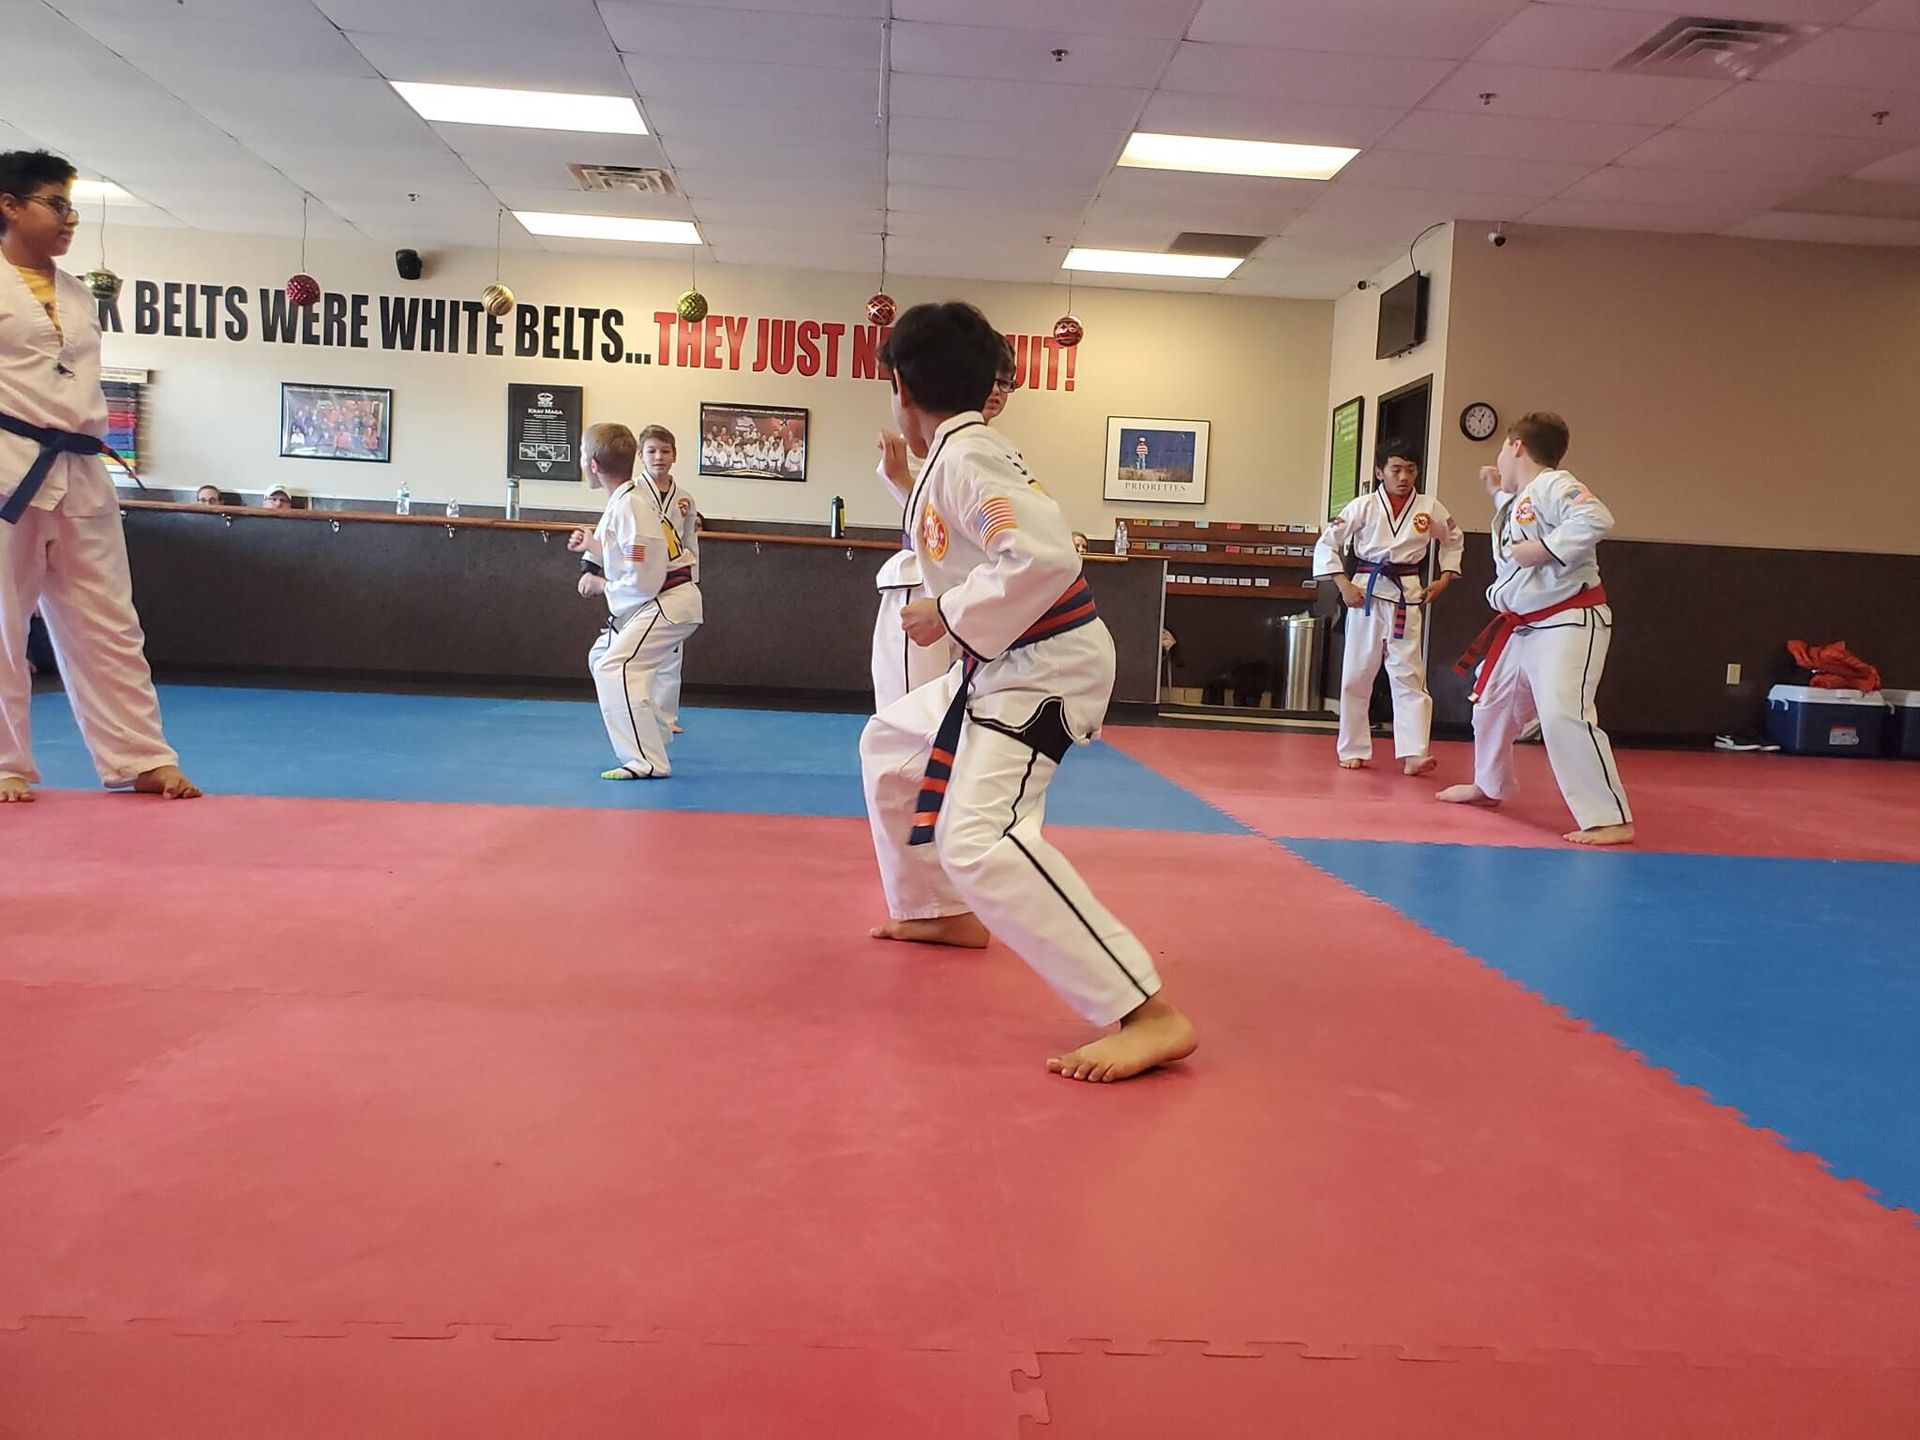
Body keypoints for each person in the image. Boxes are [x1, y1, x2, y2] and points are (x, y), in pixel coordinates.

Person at [859, 301, 1196, 1083]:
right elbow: (965, 541)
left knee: (978, 838)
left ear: (902, 387)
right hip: (1009, 662)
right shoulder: (958, 455)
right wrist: (903, 489)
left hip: (1043, 671)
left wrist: (943, 610)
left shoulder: (969, 459)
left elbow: (1041, 558)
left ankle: (1146, 1011)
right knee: (890, 744)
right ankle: (938, 910)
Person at [0, 149, 198, 804]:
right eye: (55, 203)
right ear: (8, 204)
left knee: (108, 618)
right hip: (6, 468)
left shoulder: (79, 293)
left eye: (70, 205)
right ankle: (5, 763)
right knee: (3, 621)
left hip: (81, 466)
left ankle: (138, 757)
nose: (70, 218)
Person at [1438, 412, 1634, 845]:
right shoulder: (1526, 497)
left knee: (1564, 713)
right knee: (1490, 706)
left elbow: (1596, 518)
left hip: (1568, 621)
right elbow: (1525, 522)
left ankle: (1609, 817)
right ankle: (1490, 786)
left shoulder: (1555, 484)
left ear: (1516, 446)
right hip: (1525, 626)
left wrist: (1545, 549)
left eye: (1501, 451)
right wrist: (1496, 493)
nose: (1499, 461)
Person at [869, 343, 1015, 712]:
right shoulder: (929, 448)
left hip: (971, 595)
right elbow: (935, 529)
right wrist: (900, 480)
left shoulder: (996, 454)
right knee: (907, 712)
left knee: (965, 712)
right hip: (923, 585)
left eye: (1006, 383)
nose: (996, 391)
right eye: (990, 380)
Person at [1313, 437, 1463, 775]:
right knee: (1357, 674)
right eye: (1396, 469)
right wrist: (1342, 583)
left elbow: (1453, 539)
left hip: (1407, 597)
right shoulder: (1363, 506)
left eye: (1410, 469)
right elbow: (1328, 542)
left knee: (1409, 675)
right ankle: (1353, 747)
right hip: (1365, 595)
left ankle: (1414, 753)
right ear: (1380, 472)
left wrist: (1444, 577)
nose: (1404, 476)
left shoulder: (1429, 507)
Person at [567, 422, 700, 780]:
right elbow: (627, 553)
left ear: (594, 465)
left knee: (617, 667)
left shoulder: (631, 507)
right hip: (658, 599)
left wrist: (602, 586)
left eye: (582, 456)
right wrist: (593, 549)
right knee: (602, 657)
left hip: (669, 601)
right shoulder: (626, 501)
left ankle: (647, 761)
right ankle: (653, 731)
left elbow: (644, 576)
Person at [636, 424, 699, 737]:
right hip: (640, 580)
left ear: (675, 455)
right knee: (639, 650)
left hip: (676, 581)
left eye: (665, 451)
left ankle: (667, 716)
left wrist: (693, 580)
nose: (659, 457)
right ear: (640, 456)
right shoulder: (631, 494)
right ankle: (639, 711)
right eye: (651, 451)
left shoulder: (685, 498)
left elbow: (690, 541)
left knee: (672, 653)